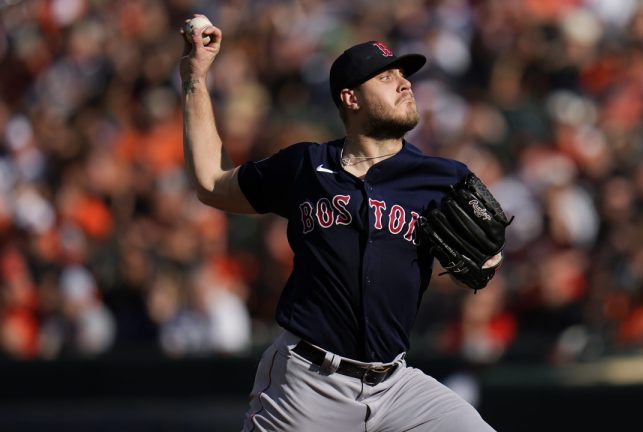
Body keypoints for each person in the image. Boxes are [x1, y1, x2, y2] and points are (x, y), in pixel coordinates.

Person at [179, 14, 496, 431]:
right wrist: (195, 78)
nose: (405, 84)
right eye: (387, 78)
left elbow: (479, 268)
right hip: (308, 383)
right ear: (351, 98)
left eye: (405, 75)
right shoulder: (306, 166)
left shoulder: (443, 178)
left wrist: (487, 261)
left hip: (396, 386)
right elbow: (211, 184)